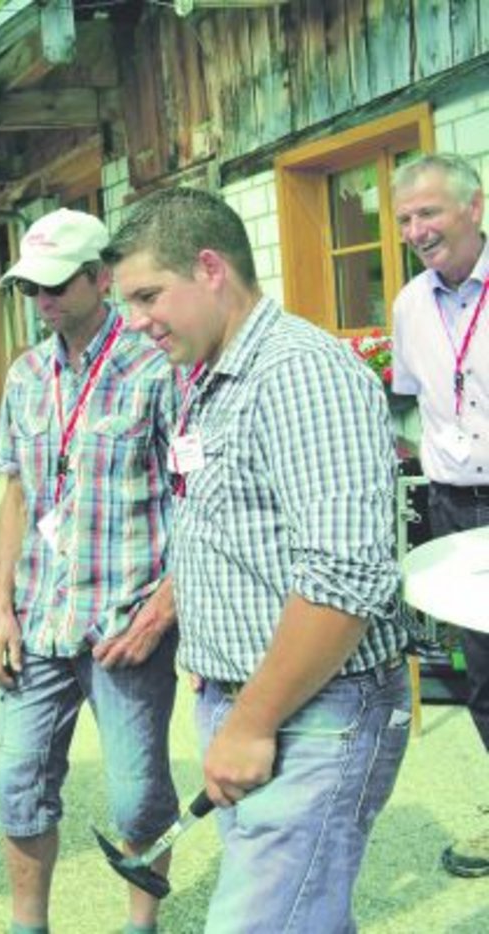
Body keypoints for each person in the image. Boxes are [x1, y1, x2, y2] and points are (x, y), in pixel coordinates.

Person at [109, 187, 410, 931]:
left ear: (210, 269)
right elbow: (239, 521)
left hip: (314, 710)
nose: (137, 322)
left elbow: (346, 579)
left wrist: (250, 720)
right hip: (253, 705)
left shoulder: (299, 373)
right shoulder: (210, 375)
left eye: (148, 295)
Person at [0, 208, 181, 934]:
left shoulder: (156, 363)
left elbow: (191, 499)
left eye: (57, 284)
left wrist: (163, 609)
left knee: (137, 798)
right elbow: (15, 493)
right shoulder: (28, 373)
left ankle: (140, 926)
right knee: (18, 785)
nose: (42, 301)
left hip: (123, 624)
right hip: (36, 618)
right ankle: (27, 926)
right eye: (29, 287)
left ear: (102, 277)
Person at [390, 152, 489, 878]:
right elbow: (408, 400)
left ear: (475, 208)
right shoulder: (408, 305)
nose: (417, 230)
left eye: (429, 212)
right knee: (482, 672)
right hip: (457, 508)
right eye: (403, 220)